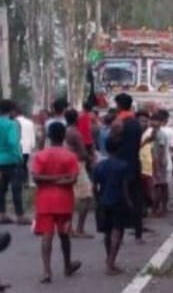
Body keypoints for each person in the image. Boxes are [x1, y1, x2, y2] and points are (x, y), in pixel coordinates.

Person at [31, 122, 81, 283]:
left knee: (47, 235)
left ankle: (47, 271)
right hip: (64, 200)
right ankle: (67, 265)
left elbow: (36, 177)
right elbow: (72, 179)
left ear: (49, 136)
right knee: (64, 235)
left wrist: (49, 180)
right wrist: (60, 179)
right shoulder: (70, 156)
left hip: (45, 200)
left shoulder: (40, 155)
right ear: (64, 137)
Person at [93, 136, 130, 275]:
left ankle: (109, 259)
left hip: (103, 201)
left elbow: (94, 186)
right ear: (119, 149)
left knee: (107, 233)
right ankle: (111, 262)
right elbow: (124, 187)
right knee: (117, 233)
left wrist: (97, 200)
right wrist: (129, 203)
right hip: (118, 201)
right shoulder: (123, 166)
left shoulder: (99, 166)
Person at [110, 94, 144, 242]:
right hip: (135, 163)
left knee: (119, 199)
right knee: (136, 198)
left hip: (120, 165)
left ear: (118, 105)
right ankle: (138, 233)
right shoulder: (137, 123)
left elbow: (111, 143)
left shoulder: (118, 123)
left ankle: (118, 234)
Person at [64, 109, 93, 238]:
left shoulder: (65, 131)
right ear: (77, 119)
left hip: (67, 165)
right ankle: (79, 228)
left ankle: (69, 227)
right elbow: (82, 153)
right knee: (86, 197)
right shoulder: (76, 133)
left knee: (71, 197)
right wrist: (91, 158)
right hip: (77, 165)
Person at [0, 100, 25, 225]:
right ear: (11, 111)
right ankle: (20, 216)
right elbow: (13, 142)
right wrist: (19, 156)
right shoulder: (11, 124)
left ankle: (2, 214)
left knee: (1, 189)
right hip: (12, 160)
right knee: (16, 189)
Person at [139, 111, 155, 217]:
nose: (142, 123)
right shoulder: (135, 131)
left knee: (149, 188)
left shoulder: (151, 132)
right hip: (138, 163)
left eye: (145, 121)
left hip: (149, 163)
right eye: (141, 121)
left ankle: (151, 207)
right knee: (140, 188)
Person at [16, 106, 35, 188]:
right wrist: (33, 146)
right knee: (24, 165)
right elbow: (32, 135)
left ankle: (19, 181)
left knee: (17, 165)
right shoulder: (30, 122)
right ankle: (25, 181)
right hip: (27, 147)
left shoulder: (13, 122)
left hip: (17, 147)